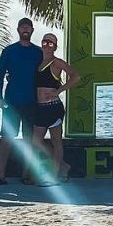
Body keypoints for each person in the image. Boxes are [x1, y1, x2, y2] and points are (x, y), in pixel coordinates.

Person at [0, 17, 42, 186]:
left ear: (32, 30)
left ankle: (26, 175)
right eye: (23, 27)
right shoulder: (9, 51)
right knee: (6, 138)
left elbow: (46, 76)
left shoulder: (38, 52)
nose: (25, 30)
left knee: (29, 139)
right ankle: (1, 176)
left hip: (32, 102)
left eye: (28, 27)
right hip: (11, 101)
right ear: (18, 30)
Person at [31, 32, 80, 186]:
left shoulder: (56, 62)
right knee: (36, 142)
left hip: (53, 108)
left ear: (55, 47)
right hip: (40, 108)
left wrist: (59, 91)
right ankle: (63, 167)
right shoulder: (38, 63)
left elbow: (75, 76)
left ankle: (53, 176)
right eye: (45, 42)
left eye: (50, 43)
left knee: (56, 142)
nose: (47, 45)